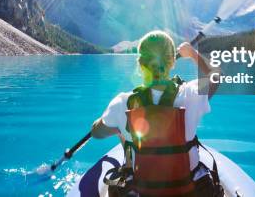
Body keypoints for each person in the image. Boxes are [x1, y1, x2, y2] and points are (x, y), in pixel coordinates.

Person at [91, 30, 221, 197]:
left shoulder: (122, 103)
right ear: (172, 63)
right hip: (188, 191)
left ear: (140, 63)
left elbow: (96, 133)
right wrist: (192, 54)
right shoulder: (192, 94)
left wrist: (119, 128)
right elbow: (216, 76)